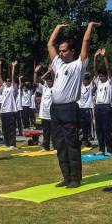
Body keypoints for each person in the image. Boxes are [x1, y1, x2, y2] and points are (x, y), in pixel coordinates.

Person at [47, 21, 100, 188]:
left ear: (72, 52)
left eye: (64, 51)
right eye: (60, 51)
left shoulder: (78, 65)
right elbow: (49, 44)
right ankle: (66, 176)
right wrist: (57, 28)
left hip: (69, 108)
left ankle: (76, 178)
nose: (61, 54)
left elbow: (86, 43)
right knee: (59, 145)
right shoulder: (58, 65)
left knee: (72, 144)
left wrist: (90, 26)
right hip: (55, 109)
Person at [93, 48, 112, 156]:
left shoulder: (109, 82)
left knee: (106, 129)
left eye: (102, 76)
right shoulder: (98, 82)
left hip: (106, 107)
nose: (100, 78)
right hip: (98, 107)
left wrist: (105, 57)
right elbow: (95, 70)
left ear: (106, 76)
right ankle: (101, 149)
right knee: (99, 129)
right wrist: (95, 57)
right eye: (99, 76)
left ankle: (109, 150)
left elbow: (108, 68)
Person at [0, 60, 18, 148]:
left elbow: (13, 77)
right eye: (7, 81)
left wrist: (13, 67)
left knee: (11, 128)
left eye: (9, 81)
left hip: (11, 110)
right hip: (3, 111)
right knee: (4, 129)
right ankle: (6, 143)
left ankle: (12, 144)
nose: (8, 82)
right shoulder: (4, 87)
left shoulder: (12, 88)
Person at [34, 65, 54, 151]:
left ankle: (55, 147)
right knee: (45, 132)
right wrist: (35, 72)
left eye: (50, 81)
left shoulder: (55, 87)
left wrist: (51, 71)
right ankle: (46, 147)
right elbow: (36, 82)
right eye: (48, 81)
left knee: (54, 132)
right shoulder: (44, 87)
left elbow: (56, 78)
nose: (49, 82)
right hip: (44, 114)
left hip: (52, 114)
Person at [77, 72, 94, 147]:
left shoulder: (90, 86)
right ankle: (83, 139)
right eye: (84, 79)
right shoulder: (80, 86)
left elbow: (94, 77)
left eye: (86, 79)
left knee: (88, 125)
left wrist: (87, 74)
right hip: (80, 108)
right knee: (81, 125)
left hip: (88, 107)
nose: (85, 81)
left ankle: (88, 138)